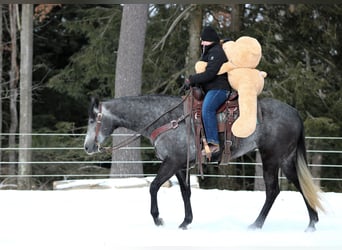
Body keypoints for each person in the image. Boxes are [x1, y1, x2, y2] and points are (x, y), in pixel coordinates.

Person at [186, 26, 231, 156]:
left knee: (207, 109)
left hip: (219, 88)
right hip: (211, 88)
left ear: (210, 40)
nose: (201, 43)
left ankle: (213, 143)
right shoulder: (209, 52)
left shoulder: (216, 52)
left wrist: (192, 79)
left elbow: (210, 73)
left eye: (204, 40)